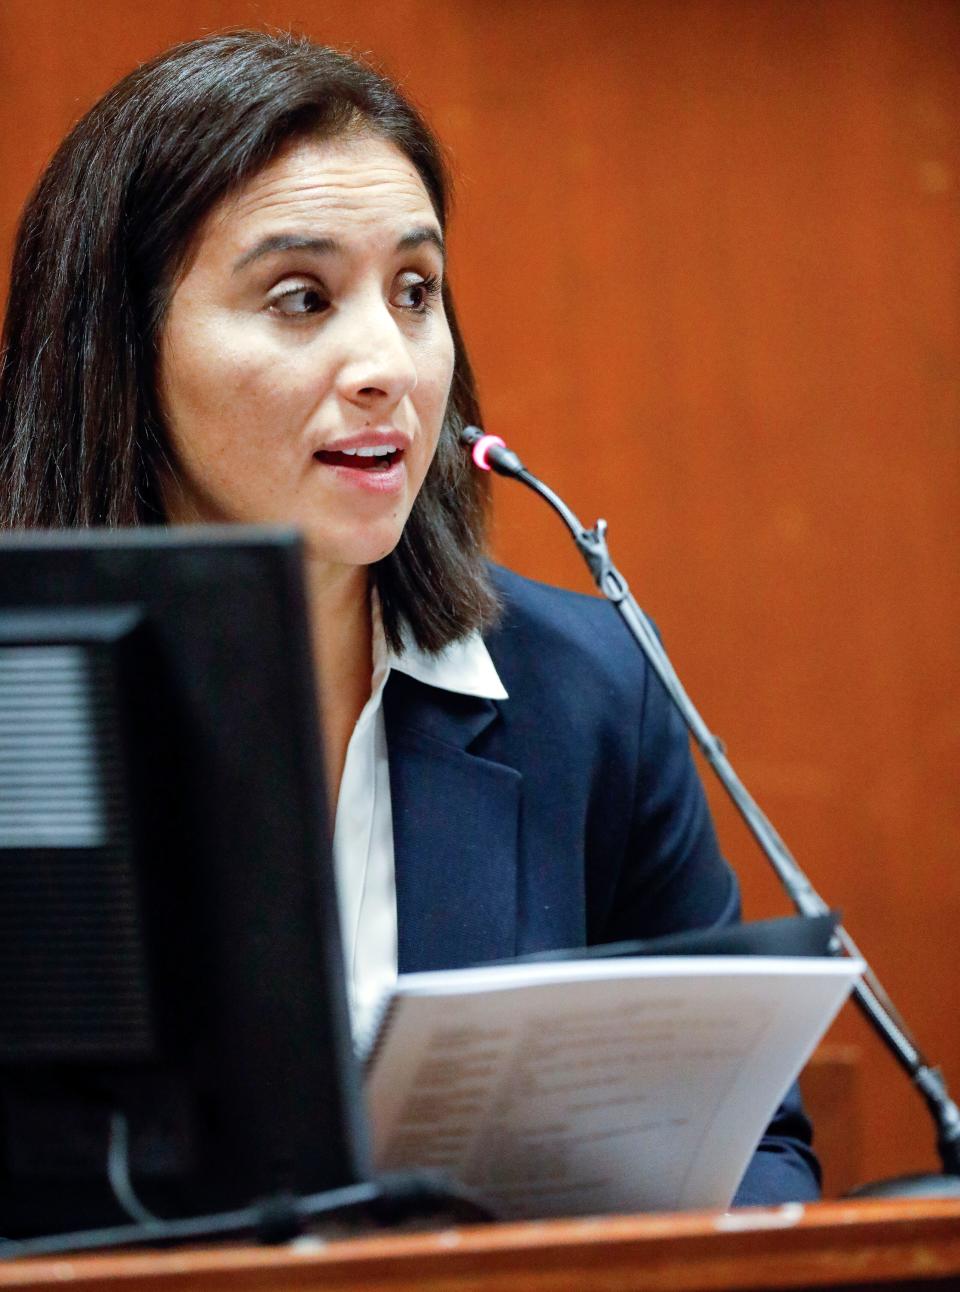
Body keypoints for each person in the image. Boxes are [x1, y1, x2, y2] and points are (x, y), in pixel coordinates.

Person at [0, 30, 819, 1208]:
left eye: (416, 291)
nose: (388, 361)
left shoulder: (584, 691)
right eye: (301, 297)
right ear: (124, 346)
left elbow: (758, 1152)